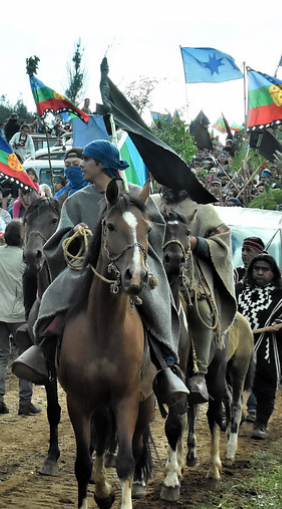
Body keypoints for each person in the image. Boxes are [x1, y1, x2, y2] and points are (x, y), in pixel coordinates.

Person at [17, 139, 187, 403]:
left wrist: (137, 251)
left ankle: (166, 364)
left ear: (101, 164)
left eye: (86, 160)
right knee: (55, 293)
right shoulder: (76, 201)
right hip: (88, 269)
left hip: (133, 264)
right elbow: (57, 242)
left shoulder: (135, 195)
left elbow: (156, 234)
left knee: (157, 299)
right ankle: (43, 349)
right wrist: (74, 236)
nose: (80, 166)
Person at [152, 184, 236, 403]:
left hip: (191, 276)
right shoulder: (150, 203)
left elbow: (223, 242)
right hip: (153, 272)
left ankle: (199, 374)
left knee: (201, 309)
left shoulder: (204, 210)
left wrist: (196, 242)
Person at [0, 220, 40, 416]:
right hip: (18, 314)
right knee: (24, 357)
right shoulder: (25, 258)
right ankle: (25, 403)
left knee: (1, 356)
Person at [237, 254, 282, 440]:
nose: (260, 273)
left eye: (265, 269)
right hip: (237, 345)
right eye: (256, 269)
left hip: (267, 348)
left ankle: (261, 422)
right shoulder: (238, 290)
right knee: (230, 382)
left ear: (273, 272)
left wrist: (281, 323)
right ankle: (234, 417)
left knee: (266, 385)